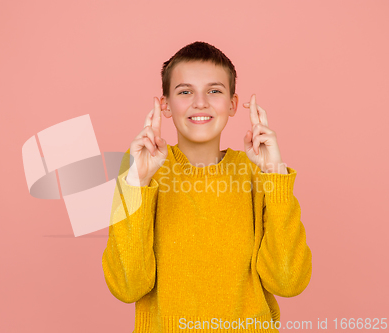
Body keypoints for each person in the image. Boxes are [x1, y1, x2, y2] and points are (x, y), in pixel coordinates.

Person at [101, 41, 312, 333]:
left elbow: (288, 282)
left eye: (214, 91)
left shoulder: (257, 172)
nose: (200, 102)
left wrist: (274, 174)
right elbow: (127, 286)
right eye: (185, 92)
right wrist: (137, 182)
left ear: (232, 104)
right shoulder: (142, 171)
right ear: (165, 105)